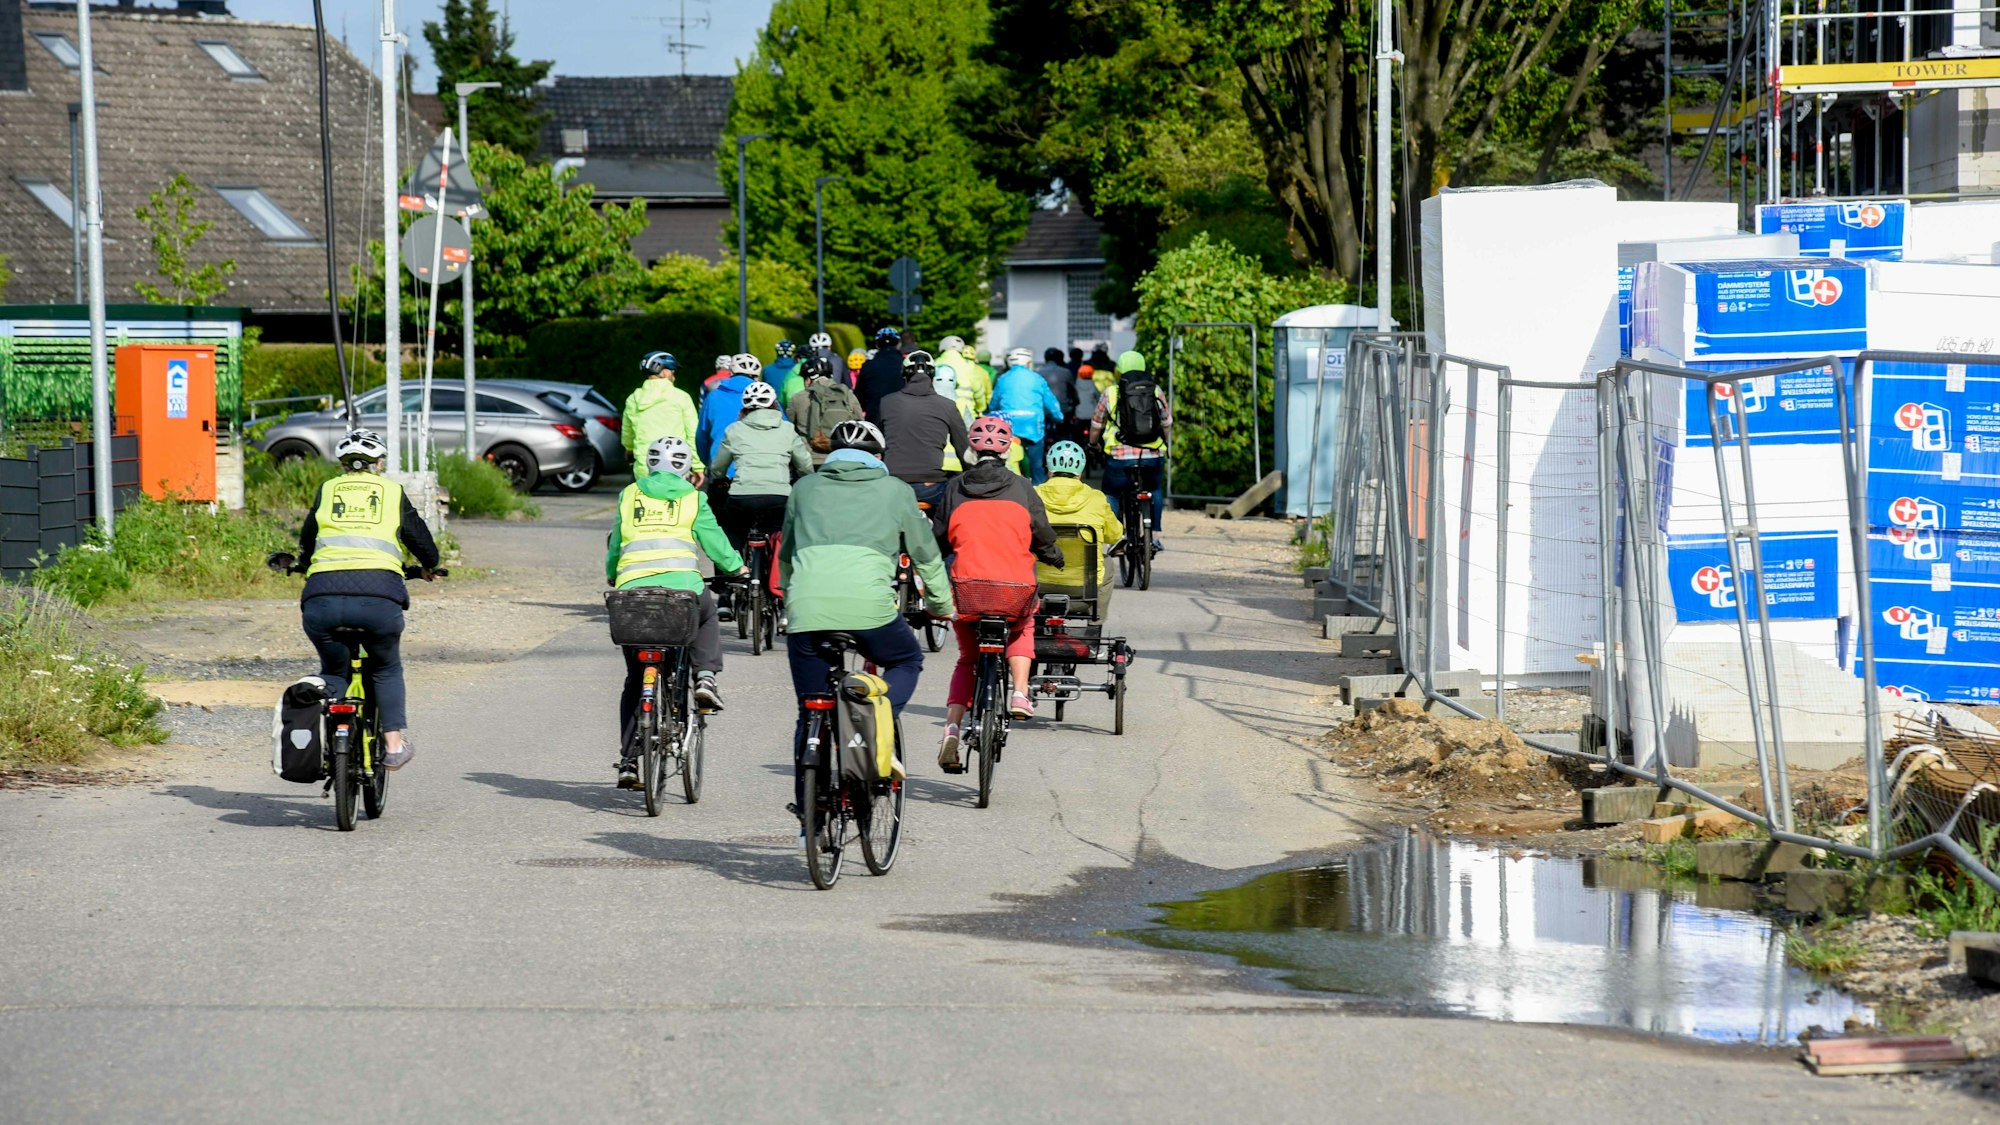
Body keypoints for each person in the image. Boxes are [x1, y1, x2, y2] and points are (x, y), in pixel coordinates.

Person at [780, 419, 953, 820]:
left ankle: (811, 812)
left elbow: (787, 553)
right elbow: (925, 552)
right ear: (878, 458)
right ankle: (878, 720)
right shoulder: (896, 490)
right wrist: (941, 604)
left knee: (810, 710)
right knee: (906, 660)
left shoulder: (804, 488)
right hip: (870, 611)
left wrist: (794, 599)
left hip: (807, 610)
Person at [293, 428, 442, 771]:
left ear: (343, 464)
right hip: (379, 600)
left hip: (322, 600)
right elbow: (420, 539)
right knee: (385, 668)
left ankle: (318, 699)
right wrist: (431, 566)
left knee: (334, 670)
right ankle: (393, 747)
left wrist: (302, 565)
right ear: (378, 462)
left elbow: (308, 538)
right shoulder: (391, 491)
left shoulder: (327, 490)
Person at [606, 436, 745, 790]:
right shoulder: (693, 498)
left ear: (650, 464)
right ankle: (705, 678)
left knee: (636, 679)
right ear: (685, 468)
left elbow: (616, 543)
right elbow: (715, 543)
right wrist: (737, 569)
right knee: (708, 615)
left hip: (633, 596)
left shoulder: (630, 494)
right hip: (682, 594)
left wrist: (614, 572)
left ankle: (628, 762)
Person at [931, 417, 1064, 769]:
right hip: (1014, 591)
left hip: (968, 592)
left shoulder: (955, 488)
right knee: (1022, 628)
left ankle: (952, 729)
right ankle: (1020, 693)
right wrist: (1055, 557)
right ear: (1008, 449)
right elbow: (1042, 534)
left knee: (968, 660)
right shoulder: (1023, 488)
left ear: (972, 448)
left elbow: (939, 539)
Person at [711, 381, 812, 557]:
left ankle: (731, 573)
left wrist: (720, 479)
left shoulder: (734, 429)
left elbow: (718, 467)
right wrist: (805, 477)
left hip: (742, 494)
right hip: (779, 494)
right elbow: (804, 465)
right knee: (782, 530)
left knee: (734, 530)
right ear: (774, 404)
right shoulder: (787, 429)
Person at [1090, 349, 1172, 555]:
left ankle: (1118, 537)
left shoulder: (1111, 393)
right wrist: (1165, 443)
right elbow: (1166, 422)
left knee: (1112, 493)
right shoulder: (1155, 391)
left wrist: (1093, 444)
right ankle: (1155, 535)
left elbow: (1096, 425)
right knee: (1155, 489)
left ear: (1118, 371)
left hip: (1119, 456)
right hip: (1152, 455)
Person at [1034, 440, 1122, 615]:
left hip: (1036, 589)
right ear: (1080, 472)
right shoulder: (1097, 498)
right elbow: (1115, 535)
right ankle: (1095, 621)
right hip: (1082, 593)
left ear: (1049, 469)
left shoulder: (1032, 495)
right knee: (1108, 563)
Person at [878, 349, 969, 509]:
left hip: (892, 483)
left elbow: (876, 442)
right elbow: (963, 450)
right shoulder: (947, 406)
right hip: (931, 485)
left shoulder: (887, 402)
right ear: (933, 376)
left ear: (904, 375)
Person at [622, 351, 704, 481]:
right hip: (676, 467)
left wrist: (629, 449)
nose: (674, 377)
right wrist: (698, 466)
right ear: (665, 372)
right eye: (673, 372)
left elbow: (628, 434)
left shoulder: (633, 399)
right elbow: (693, 435)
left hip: (645, 469)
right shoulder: (681, 397)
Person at [989, 346, 1065, 485]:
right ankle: (1038, 492)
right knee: (1036, 466)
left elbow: (993, 404)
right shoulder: (1037, 378)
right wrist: (1058, 417)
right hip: (1033, 427)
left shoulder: (1003, 379)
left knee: (1008, 463)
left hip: (1009, 428)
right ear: (1028, 362)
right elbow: (1050, 403)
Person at [789, 354, 866, 467]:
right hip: (843, 458)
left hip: (811, 461)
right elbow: (860, 421)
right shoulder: (846, 394)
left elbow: (789, 429)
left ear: (808, 379)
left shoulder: (798, 398)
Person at [695, 353, 761, 468]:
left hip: (721, 469)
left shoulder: (713, 396)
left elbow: (702, 437)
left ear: (731, 373)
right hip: (758, 468)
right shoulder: (766, 397)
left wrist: (709, 463)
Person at [858, 327, 906, 421]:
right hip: (901, 416)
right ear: (898, 344)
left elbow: (860, 396)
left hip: (875, 417)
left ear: (877, 345)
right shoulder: (905, 364)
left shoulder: (868, 366)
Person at [938, 335, 991, 415]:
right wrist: (981, 407)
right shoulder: (969, 365)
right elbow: (978, 389)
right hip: (966, 412)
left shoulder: (936, 363)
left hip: (942, 412)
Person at [1038, 347, 1079, 441]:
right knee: (1065, 434)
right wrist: (1075, 401)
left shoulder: (1039, 373)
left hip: (1044, 411)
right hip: (1063, 410)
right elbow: (1073, 391)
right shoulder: (1066, 372)